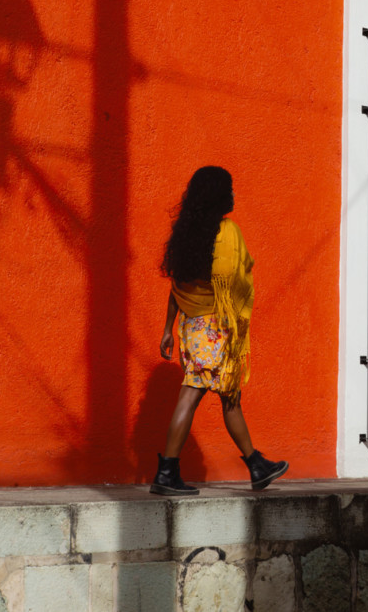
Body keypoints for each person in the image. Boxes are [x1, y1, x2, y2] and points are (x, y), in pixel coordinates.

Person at [149, 165, 288, 496]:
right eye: (230, 188)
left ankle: (255, 465)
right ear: (219, 195)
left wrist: (169, 328)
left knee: (227, 396)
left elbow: (177, 288)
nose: (234, 194)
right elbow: (239, 275)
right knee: (197, 396)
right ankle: (168, 472)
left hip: (192, 326)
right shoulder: (227, 233)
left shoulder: (185, 234)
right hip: (216, 327)